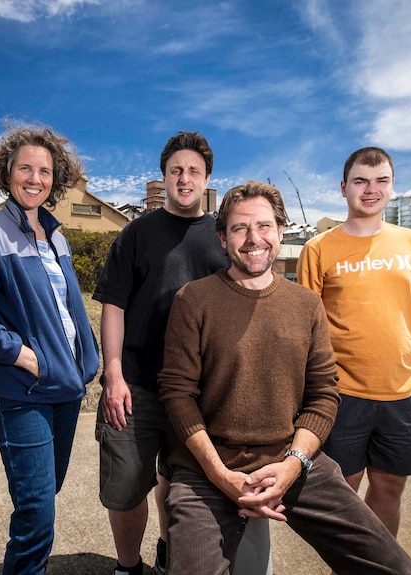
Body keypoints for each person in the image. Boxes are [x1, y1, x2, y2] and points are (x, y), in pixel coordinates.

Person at [159, 181, 411, 575]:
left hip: (292, 463)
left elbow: (323, 394)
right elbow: (177, 394)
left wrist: (294, 464)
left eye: (264, 226)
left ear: (281, 231)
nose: (253, 239)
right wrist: (219, 474)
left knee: (395, 568)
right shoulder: (193, 300)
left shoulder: (306, 304)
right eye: (239, 228)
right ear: (222, 237)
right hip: (206, 471)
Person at [94, 131, 272, 575]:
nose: (184, 178)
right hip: (136, 387)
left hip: (198, 392)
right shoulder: (135, 234)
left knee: (179, 485)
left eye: (194, 171)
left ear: (207, 178)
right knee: (127, 489)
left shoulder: (222, 237)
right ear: (164, 177)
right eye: (176, 170)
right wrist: (112, 375)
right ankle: (128, 566)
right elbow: (113, 307)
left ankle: (170, 554)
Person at [0, 124, 100, 575]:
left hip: (66, 389)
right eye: (25, 169)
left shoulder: (57, 237)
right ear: (6, 172)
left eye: (45, 171)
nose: (35, 179)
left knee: (42, 499)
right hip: (21, 389)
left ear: (56, 179)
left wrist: (85, 359)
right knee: (37, 514)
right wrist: (21, 355)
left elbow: (65, 311)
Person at [297, 146, 411, 538]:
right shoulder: (318, 249)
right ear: (344, 187)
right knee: (343, 493)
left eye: (381, 181)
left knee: (389, 487)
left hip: (400, 392)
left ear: (392, 188)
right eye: (361, 180)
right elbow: (305, 328)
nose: (370, 189)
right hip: (342, 394)